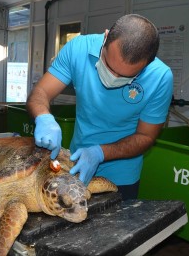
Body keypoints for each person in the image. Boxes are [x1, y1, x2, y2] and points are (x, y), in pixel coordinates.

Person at [27, 14, 173, 200]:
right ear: (105, 38)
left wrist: (100, 152)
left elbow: (146, 136)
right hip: (74, 164)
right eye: (108, 65)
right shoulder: (78, 48)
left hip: (122, 174)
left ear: (147, 64)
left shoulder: (160, 77)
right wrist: (43, 117)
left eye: (125, 76)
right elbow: (41, 92)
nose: (113, 77)